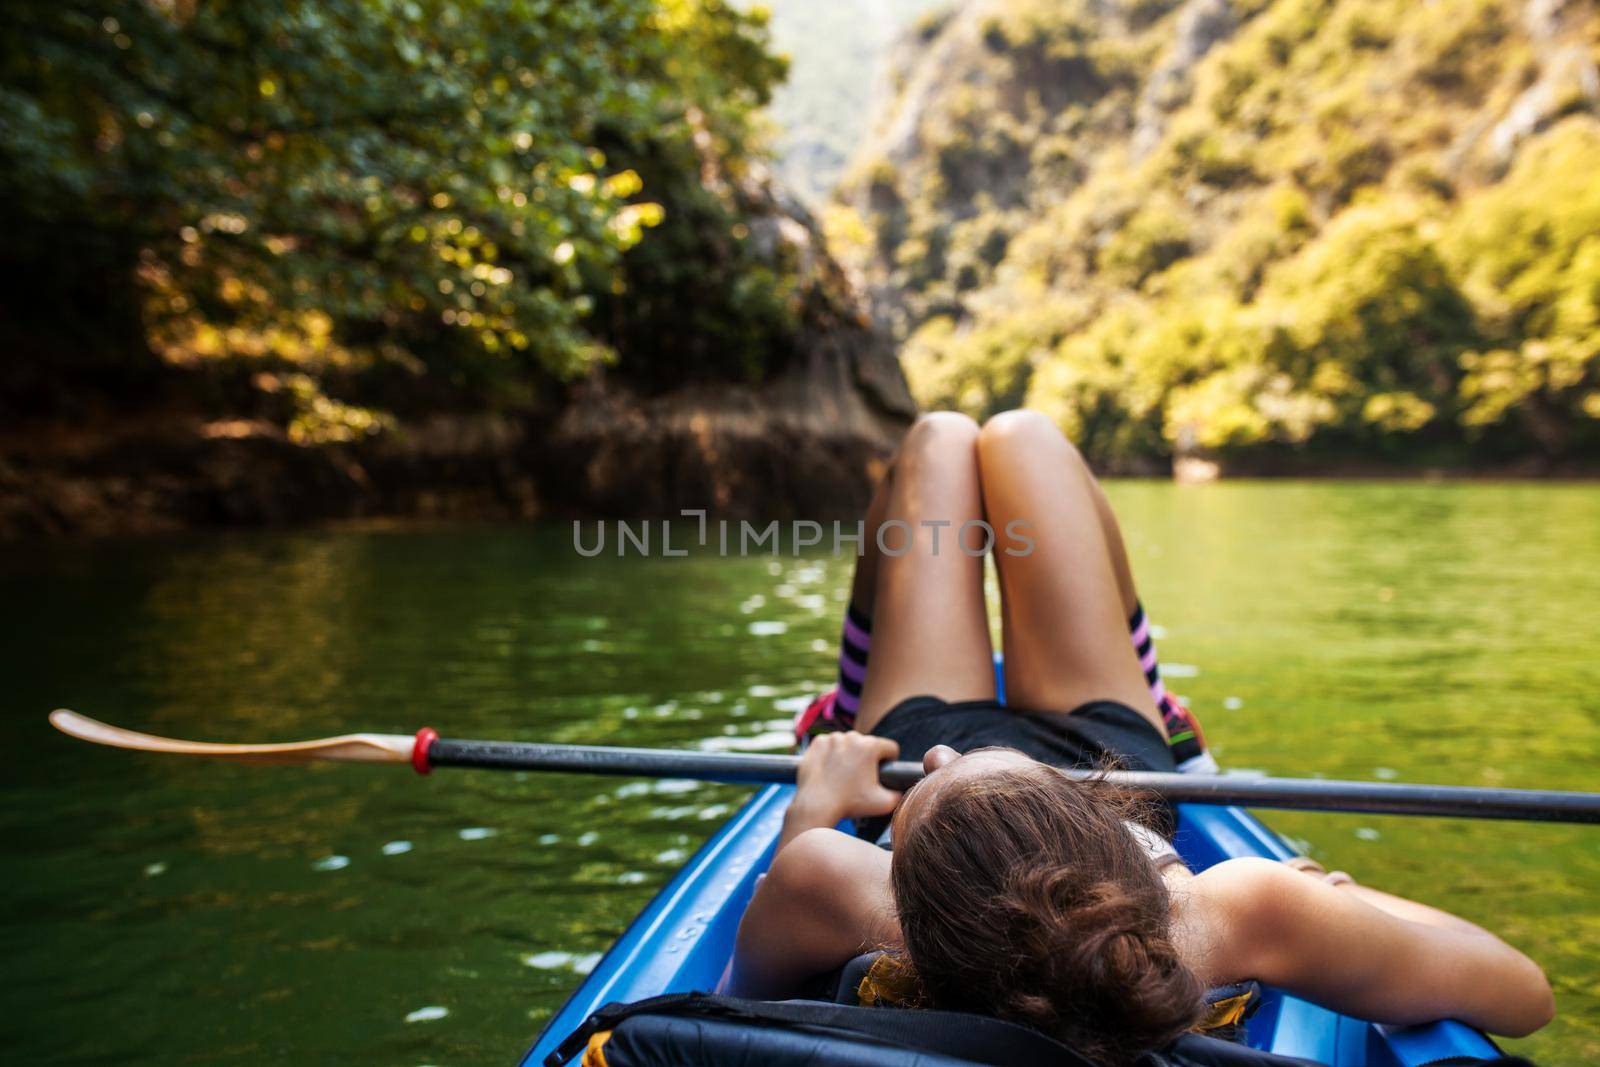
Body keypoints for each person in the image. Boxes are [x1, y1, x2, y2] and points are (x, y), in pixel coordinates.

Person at [732, 410, 1553, 1066]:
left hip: (899, 730)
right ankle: (1167, 728)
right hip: (1107, 742)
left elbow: (735, 1007)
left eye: (929, 791)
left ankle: (848, 697)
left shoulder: (840, 885)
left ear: (903, 895)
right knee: (1025, 437)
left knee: (939, 439)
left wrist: (815, 801)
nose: (942, 759)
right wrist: (1342, 901)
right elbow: (1523, 993)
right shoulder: (1233, 910)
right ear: (1096, 820)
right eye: (966, 769)